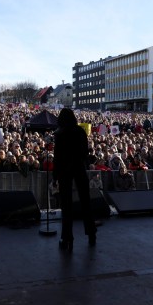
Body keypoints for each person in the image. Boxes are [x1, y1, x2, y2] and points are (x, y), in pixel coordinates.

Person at [52, 108, 97, 251]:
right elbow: (85, 152)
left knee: (67, 206)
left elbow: (57, 157)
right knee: (85, 202)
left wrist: (55, 176)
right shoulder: (80, 132)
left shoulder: (60, 133)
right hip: (79, 168)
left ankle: (67, 238)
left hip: (65, 171)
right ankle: (91, 234)